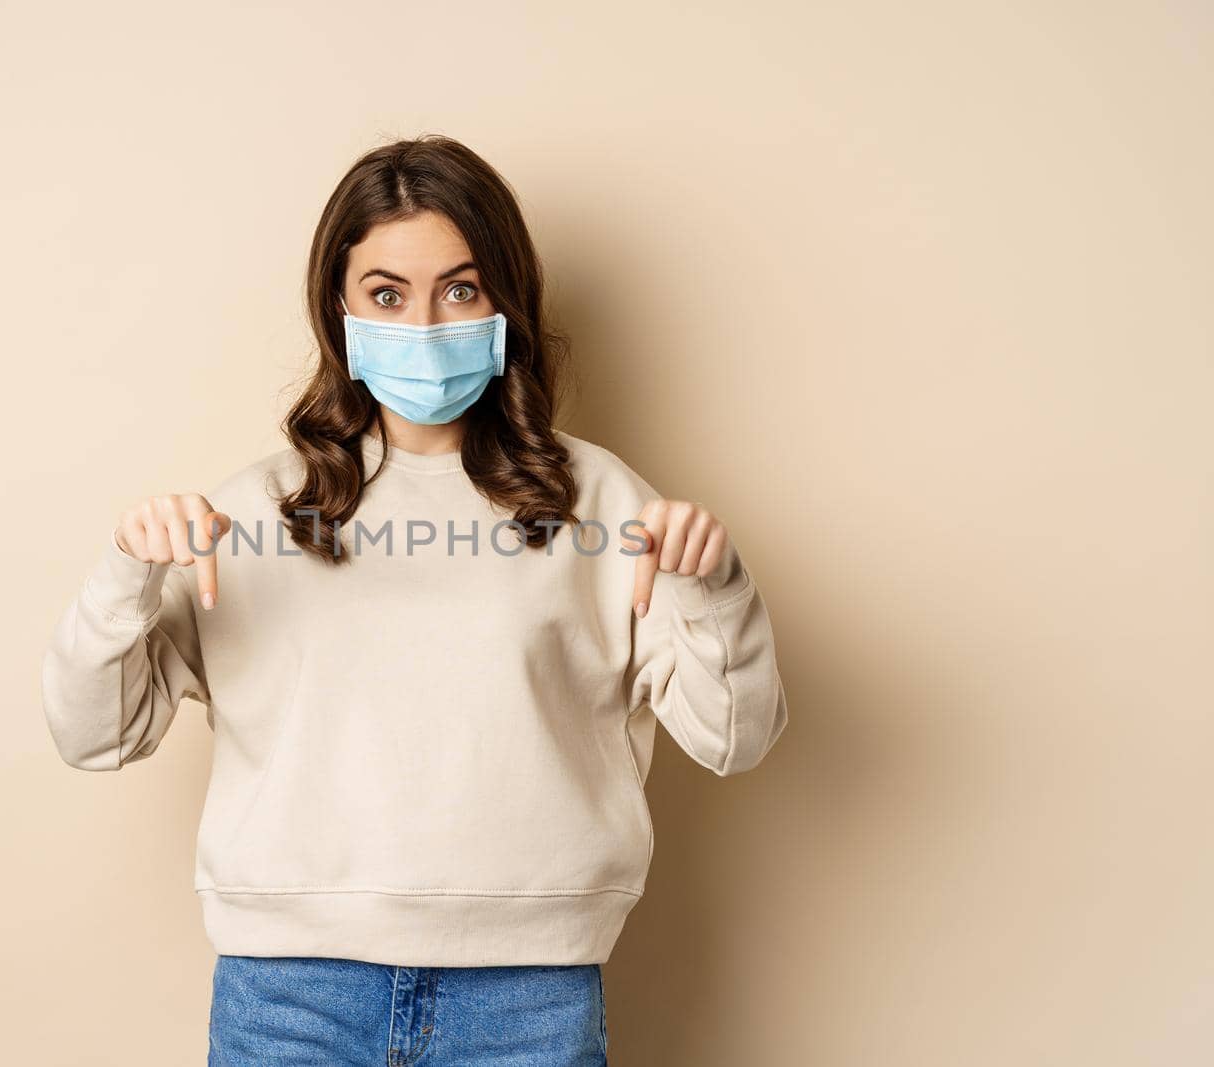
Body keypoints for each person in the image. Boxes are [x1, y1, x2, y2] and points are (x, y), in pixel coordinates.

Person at [40, 133, 789, 1066]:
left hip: (529, 1001)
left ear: (505, 303)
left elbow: (735, 736)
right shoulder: (253, 512)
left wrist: (713, 582)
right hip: (290, 996)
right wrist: (125, 572)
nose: (425, 326)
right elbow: (95, 734)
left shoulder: (603, 504)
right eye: (387, 293)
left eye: (460, 289)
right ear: (340, 310)